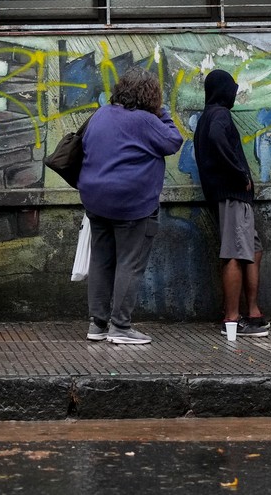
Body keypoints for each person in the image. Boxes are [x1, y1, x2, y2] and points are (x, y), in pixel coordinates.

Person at [76, 67, 183, 346]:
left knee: (101, 260)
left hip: (95, 199)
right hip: (131, 204)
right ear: (151, 96)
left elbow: (85, 143)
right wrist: (164, 113)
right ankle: (120, 326)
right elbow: (173, 141)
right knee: (129, 263)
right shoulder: (146, 121)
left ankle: (97, 324)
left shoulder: (101, 113)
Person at [192, 70, 269, 337]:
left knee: (253, 248)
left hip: (230, 196)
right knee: (235, 253)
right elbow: (217, 138)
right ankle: (232, 320)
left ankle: (253, 312)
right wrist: (239, 172)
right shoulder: (219, 115)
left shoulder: (208, 116)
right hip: (232, 195)